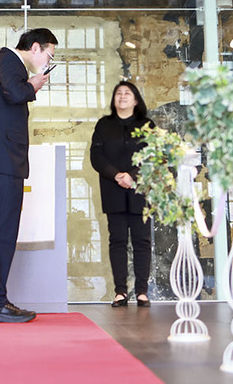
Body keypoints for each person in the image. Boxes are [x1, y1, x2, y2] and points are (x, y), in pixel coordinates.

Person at [0, 28, 58, 323]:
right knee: (0, 234)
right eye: (48, 55)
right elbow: (16, 93)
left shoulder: (5, 63)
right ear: (35, 47)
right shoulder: (8, 62)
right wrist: (34, 85)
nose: (46, 62)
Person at [90, 81, 155, 307]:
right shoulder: (103, 125)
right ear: (114, 99)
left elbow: (152, 156)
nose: (123, 96)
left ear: (136, 100)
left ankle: (142, 292)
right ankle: (120, 292)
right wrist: (118, 175)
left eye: (128, 93)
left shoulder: (147, 125)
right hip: (113, 190)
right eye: (119, 93)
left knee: (142, 241)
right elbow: (96, 157)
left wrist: (133, 176)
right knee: (117, 241)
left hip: (140, 191)